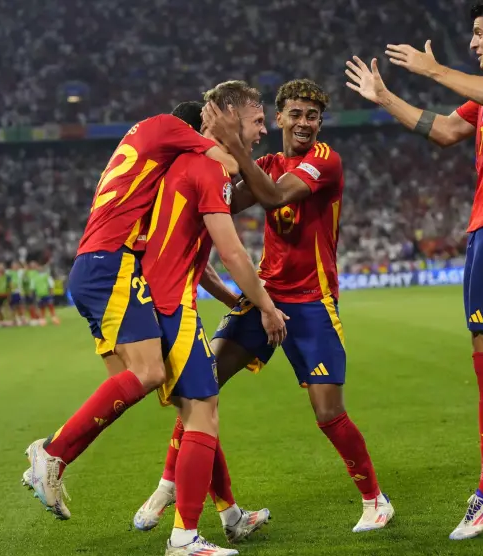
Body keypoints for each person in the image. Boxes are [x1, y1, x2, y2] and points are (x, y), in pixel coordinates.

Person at [345, 0, 483, 540]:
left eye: (478, 33)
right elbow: (445, 129)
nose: (472, 43)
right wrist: (386, 98)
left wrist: (432, 70)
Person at [136, 78, 395, 535]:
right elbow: (218, 203)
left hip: (312, 301)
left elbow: (274, 196)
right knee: (201, 386)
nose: (303, 123)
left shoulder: (325, 161)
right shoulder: (268, 162)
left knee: (328, 413)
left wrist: (235, 146)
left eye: (312, 116)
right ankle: (169, 484)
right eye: (294, 114)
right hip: (266, 296)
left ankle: (375, 500)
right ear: (278, 119)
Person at [20, 100, 240, 530]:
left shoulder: (143, 144)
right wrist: (226, 137)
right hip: (112, 266)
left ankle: (229, 512)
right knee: (155, 376)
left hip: (91, 267)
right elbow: (229, 163)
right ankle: (51, 453)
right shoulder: (169, 129)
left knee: (189, 408)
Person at [140, 85, 287, 555]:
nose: (265, 129)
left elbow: (198, 258)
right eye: (257, 119)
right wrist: (264, 305)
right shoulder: (209, 167)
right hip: (169, 307)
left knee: (202, 410)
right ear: (225, 116)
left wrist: (228, 298)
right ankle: (182, 531)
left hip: (160, 301)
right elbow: (233, 252)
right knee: (202, 410)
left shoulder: (184, 167)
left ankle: (227, 515)